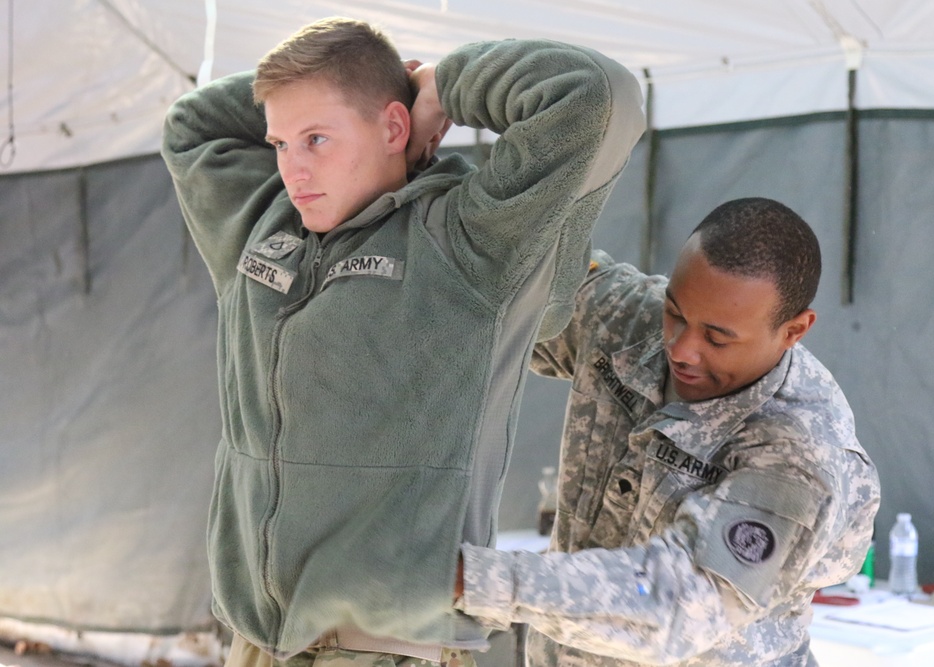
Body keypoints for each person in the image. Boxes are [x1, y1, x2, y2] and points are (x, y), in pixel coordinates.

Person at [160, 15, 645, 667]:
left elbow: (598, 95)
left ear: (394, 126)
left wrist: (439, 85)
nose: (293, 169)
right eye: (279, 142)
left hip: (390, 648)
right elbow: (189, 124)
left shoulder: (470, 240)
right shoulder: (260, 221)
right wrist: (340, 88)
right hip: (259, 643)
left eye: (317, 138)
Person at [456, 198, 881, 666]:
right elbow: (503, 291)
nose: (682, 349)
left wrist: (465, 578)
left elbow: (674, 602)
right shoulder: (630, 319)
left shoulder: (799, 450)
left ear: (794, 330)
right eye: (675, 313)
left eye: (718, 338)